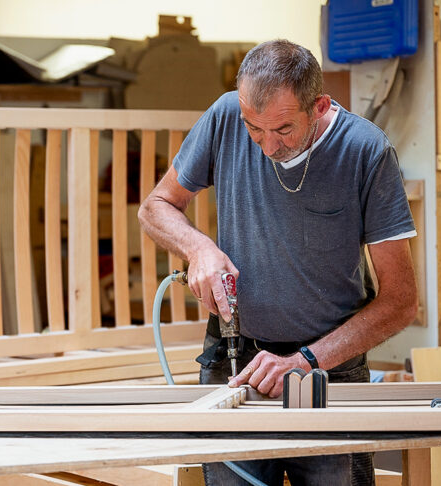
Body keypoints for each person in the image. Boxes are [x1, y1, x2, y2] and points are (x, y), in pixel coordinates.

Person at [138, 40, 417, 485]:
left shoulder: (366, 151)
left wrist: (307, 360)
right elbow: (156, 207)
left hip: (330, 371)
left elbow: (402, 302)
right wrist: (199, 249)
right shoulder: (226, 115)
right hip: (236, 362)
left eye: (284, 130)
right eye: (254, 129)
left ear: (319, 106)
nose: (267, 147)